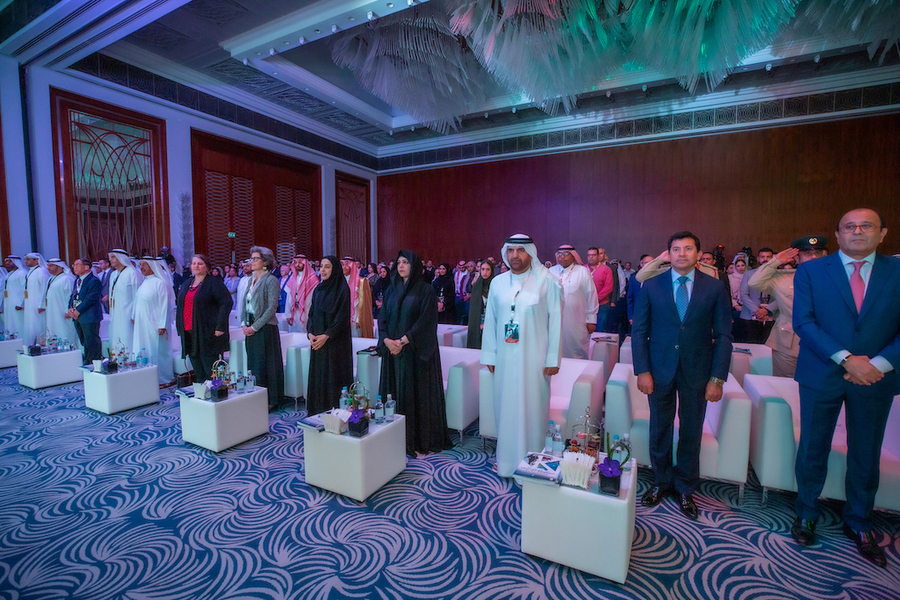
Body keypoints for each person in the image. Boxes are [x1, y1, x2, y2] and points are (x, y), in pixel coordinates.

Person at [789, 208, 899, 568]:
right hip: (822, 372)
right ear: (837, 235)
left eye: (866, 226)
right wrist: (847, 359)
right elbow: (804, 322)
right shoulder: (811, 271)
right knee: (812, 446)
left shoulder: (896, 271)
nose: (857, 231)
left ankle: (860, 521)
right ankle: (806, 512)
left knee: (866, 451)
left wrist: (877, 365)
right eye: (849, 227)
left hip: (876, 376)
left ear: (882, 234)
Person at [632, 231, 732, 521]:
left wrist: (717, 378)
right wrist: (642, 370)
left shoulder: (714, 288)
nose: (682, 254)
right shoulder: (651, 286)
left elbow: (724, 335)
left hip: (698, 372)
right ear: (669, 254)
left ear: (698, 254)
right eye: (676, 249)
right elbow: (639, 332)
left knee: (691, 431)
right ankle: (661, 481)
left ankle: (685, 487)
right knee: (659, 428)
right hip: (658, 370)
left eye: (688, 248)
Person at [481, 234, 562, 478]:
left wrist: (553, 359)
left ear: (531, 253)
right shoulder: (497, 283)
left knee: (533, 411)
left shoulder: (547, 281)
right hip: (504, 360)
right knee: (505, 409)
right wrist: (490, 356)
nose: (514, 255)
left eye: (520, 250)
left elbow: (556, 322)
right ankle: (506, 462)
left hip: (534, 361)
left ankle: (532, 466)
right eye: (510, 250)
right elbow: (491, 320)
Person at [378, 249, 451, 456]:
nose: (401, 265)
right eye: (398, 262)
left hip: (415, 353)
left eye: (405, 262)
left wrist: (403, 340)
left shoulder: (425, 290)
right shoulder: (391, 290)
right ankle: (393, 439)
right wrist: (386, 340)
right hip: (393, 352)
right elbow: (382, 318)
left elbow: (426, 321)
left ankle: (417, 440)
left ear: (414, 265)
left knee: (414, 395)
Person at [748, 236, 828, 377]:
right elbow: (754, 283)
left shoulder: (834, 278)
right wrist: (776, 261)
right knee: (784, 383)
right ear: (797, 258)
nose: (814, 257)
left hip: (823, 342)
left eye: (818, 253)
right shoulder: (783, 279)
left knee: (818, 383)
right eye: (808, 253)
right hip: (787, 343)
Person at [306, 256, 353, 415]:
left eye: (327, 266)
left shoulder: (342, 289)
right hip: (317, 343)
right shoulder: (318, 289)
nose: (323, 270)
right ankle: (317, 412)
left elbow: (342, 318)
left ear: (335, 269)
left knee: (334, 378)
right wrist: (310, 333)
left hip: (335, 344)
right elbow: (311, 314)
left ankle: (336, 416)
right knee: (319, 377)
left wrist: (326, 336)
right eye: (321, 266)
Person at [176, 254, 232, 383]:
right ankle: (202, 391)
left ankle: (217, 390)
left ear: (207, 267)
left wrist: (220, 326)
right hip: (189, 331)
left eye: (200, 263)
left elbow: (226, 303)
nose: (196, 266)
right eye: (194, 263)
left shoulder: (214, 282)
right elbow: (180, 305)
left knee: (210, 367)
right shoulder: (186, 283)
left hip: (208, 331)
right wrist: (180, 327)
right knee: (197, 367)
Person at [240, 246, 284, 410]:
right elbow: (246, 304)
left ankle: (271, 400)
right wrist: (244, 323)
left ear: (265, 262)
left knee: (267, 365)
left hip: (265, 328)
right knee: (254, 365)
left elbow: (271, 308)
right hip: (251, 326)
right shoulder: (252, 280)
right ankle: (257, 397)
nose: (251, 261)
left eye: (255, 259)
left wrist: (255, 327)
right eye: (251, 258)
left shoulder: (271, 280)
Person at [134, 257, 176, 386]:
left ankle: (164, 378)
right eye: (140, 264)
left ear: (153, 266)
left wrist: (162, 325)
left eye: (144, 264)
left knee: (158, 351)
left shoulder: (160, 283)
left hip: (156, 325)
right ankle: (148, 378)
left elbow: (165, 305)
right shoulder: (144, 283)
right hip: (143, 324)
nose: (141, 267)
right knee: (146, 350)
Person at [555, 244, 598, 359]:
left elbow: (591, 295)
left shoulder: (583, 271)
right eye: (559, 254)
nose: (562, 257)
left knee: (577, 348)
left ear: (573, 256)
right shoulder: (550, 271)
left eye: (566, 254)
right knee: (557, 348)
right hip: (555, 320)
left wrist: (591, 320)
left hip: (577, 320)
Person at [67, 257, 103, 364]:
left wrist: (78, 310)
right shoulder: (77, 280)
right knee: (84, 341)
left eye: (77, 265)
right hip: (78, 315)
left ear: (86, 267)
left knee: (91, 340)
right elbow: (73, 295)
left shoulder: (94, 281)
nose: (75, 267)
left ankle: (94, 362)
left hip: (89, 315)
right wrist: (70, 307)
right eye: (74, 265)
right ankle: (88, 360)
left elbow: (90, 299)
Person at [108, 249, 143, 352]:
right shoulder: (113, 274)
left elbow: (137, 296)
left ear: (121, 258)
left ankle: (130, 359)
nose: (110, 259)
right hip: (115, 313)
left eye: (113, 257)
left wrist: (135, 315)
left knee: (128, 338)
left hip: (128, 314)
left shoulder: (133, 273)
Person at [739, 248, 777, 344]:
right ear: (758, 258)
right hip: (750, 315)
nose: (765, 259)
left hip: (771, 315)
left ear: (773, 259)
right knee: (751, 344)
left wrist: (766, 310)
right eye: (762, 257)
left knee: (769, 345)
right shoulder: (748, 274)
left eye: (768, 257)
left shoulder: (778, 275)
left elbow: (782, 296)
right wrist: (757, 311)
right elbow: (743, 294)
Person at [42, 258, 78, 346]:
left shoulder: (67, 279)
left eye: (51, 266)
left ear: (59, 266)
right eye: (48, 266)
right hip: (53, 312)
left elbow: (71, 296)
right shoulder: (51, 278)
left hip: (64, 314)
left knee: (64, 333)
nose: (48, 268)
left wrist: (69, 311)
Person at [342, 256, 374, 338]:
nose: (344, 267)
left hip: (356, 321)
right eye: (343, 264)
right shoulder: (340, 282)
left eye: (347, 265)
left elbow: (364, 304)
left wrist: (358, 320)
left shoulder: (362, 282)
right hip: (342, 321)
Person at [22, 253, 50, 345]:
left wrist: (42, 304)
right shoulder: (31, 271)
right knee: (31, 324)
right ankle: (31, 343)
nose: (26, 261)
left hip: (38, 304)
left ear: (36, 260)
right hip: (30, 303)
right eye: (25, 259)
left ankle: (40, 344)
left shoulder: (41, 271)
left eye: (28, 259)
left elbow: (44, 288)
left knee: (38, 324)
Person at [466, 260, 495, 350]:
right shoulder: (476, 285)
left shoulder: (495, 285)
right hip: (478, 321)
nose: (485, 272)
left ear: (492, 270)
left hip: (491, 320)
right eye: (483, 269)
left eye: (488, 269)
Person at [287, 254, 318, 334]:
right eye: (296, 262)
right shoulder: (292, 278)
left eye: (300, 262)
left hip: (307, 311)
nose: (297, 265)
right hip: (294, 311)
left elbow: (316, 299)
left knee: (306, 332)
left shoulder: (313, 279)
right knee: (295, 333)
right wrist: (288, 314)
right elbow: (288, 298)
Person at [586, 247, 614, 332]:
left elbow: (608, 287)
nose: (591, 257)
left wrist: (595, 299)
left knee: (600, 329)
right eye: (589, 255)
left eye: (593, 255)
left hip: (601, 305)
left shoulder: (606, 269)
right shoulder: (582, 269)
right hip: (585, 305)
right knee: (585, 329)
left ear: (598, 256)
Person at [626, 254, 653, 326]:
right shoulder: (634, 277)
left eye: (651, 263)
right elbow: (630, 298)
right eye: (646, 262)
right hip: (637, 314)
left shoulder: (659, 277)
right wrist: (631, 316)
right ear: (641, 264)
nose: (649, 264)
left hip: (653, 316)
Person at [3, 256, 25, 336]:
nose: (7, 263)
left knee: (18, 323)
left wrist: (20, 303)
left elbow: (24, 289)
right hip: (9, 303)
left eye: (10, 261)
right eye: (7, 261)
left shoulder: (22, 273)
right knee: (11, 322)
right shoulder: (9, 274)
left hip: (18, 304)